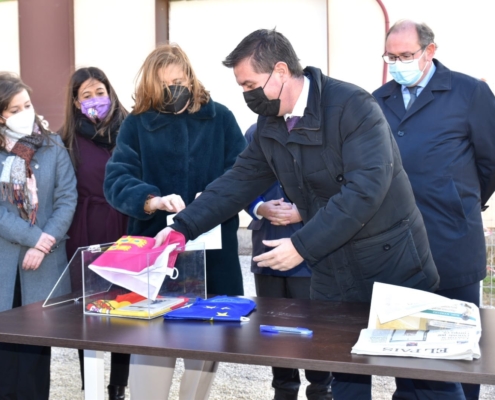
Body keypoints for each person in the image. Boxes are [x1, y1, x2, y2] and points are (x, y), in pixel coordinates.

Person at [153, 29, 440, 400]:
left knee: (424, 381)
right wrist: (182, 229)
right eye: (242, 87)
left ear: (281, 71)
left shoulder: (352, 106)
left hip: (394, 262)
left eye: (250, 84)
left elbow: (365, 190)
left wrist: (301, 246)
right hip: (333, 268)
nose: (246, 95)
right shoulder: (271, 125)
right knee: (347, 376)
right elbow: (237, 181)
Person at [103, 44, 247, 399]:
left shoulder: (221, 118)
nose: (174, 90)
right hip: (154, 259)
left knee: (204, 355)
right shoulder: (137, 125)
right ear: (152, 87)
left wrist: (211, 201)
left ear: (190, 76)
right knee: (150, 353)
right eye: (165, 85)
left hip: (212, 256)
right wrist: (151, 200)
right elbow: (117, 179)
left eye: (179, 81)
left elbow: (242, 174)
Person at [372, 19, 495, 400]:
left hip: (452, 237)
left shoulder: (469, 93)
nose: (398, 63)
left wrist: (463, 200)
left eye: (406, 56)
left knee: (457, 346)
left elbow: (490, 162)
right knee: (407, 344)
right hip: (397, 242)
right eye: (391, 57)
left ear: (430, 51)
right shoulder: (378, 99)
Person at [0, 72, 77, 400]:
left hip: (42, 263)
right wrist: (34, 238)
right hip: (6, 263)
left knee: (35, 350)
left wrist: (44, 243)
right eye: (15, 109)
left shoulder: (52, 144)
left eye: (27, 105)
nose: (25, 112)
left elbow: (67, 198)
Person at [244, 122, 332, 400]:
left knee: (316, 327)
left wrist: (304, 211)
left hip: (311, 246)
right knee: (272, 327)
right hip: (266, 244)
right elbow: (239, 180)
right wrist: (259, 207)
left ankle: (320, 389)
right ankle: (283, 389)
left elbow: (337, 185)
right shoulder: (254, 133)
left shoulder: (322, 131)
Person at [60, 67, 130, 400]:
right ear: (75, 103)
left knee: (126, 310)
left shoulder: (130, 130)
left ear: (110, 92)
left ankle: (118, 385)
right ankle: (91, 385)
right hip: (84, 232)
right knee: (87, 311)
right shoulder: (67, 140)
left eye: (99, 92)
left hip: (124, 229)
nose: (95, 100)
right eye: (86, 95)